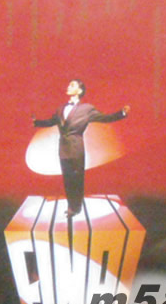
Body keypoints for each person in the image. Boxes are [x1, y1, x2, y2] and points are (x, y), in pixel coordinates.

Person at [33, 79, 130, 217]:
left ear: (79, 90)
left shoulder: (87, 109)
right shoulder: (60, 109)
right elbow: (51, 121)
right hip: (63, 149)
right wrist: (36, 122)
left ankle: (76, 208)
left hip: (77, 148)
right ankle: (71, 206)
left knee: (77, 179)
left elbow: (105, 118)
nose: (68, 86)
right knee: (67, 179)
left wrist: (122, 113)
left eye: (72, 85)